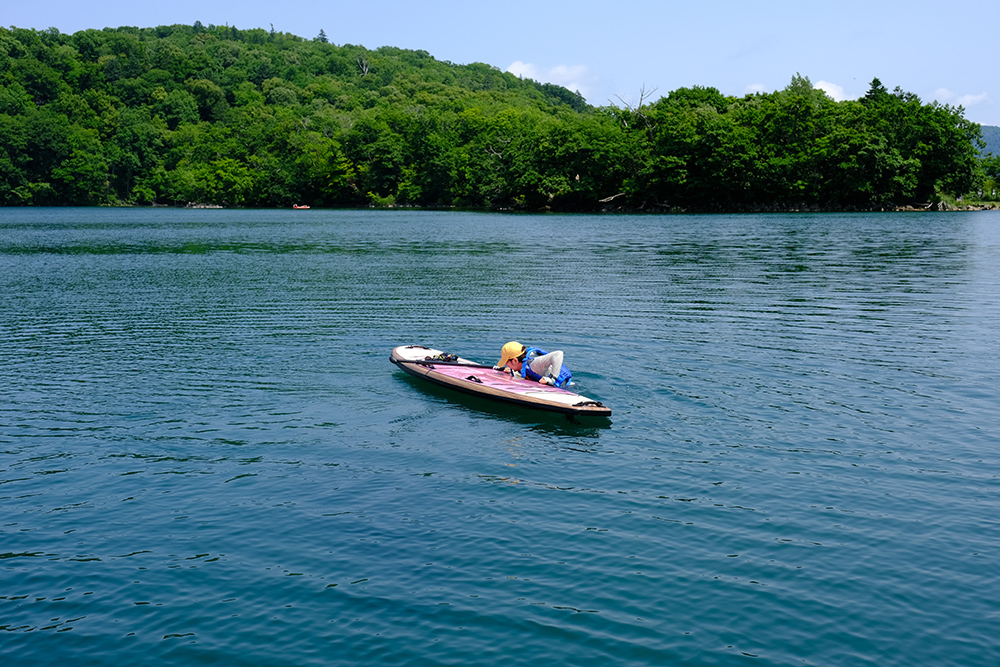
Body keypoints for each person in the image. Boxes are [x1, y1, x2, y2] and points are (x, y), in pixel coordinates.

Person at [493, 341, 572, 387]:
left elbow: (558, 354)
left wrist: (552, 379)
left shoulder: (534, 364)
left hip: (564, 387)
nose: (506, 365)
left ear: (515, 360)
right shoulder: (522, 364)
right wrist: (513, 370)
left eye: (506, 362)